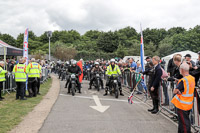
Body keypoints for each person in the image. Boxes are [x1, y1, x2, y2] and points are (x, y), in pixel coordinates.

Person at [171, 63, 195, 133]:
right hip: (189, 103)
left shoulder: (183, 80)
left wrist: (178, 91)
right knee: (184, 122)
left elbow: (175, 91)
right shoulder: (192, 78)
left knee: (184, 123)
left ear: (181, 70)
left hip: (182, 105)